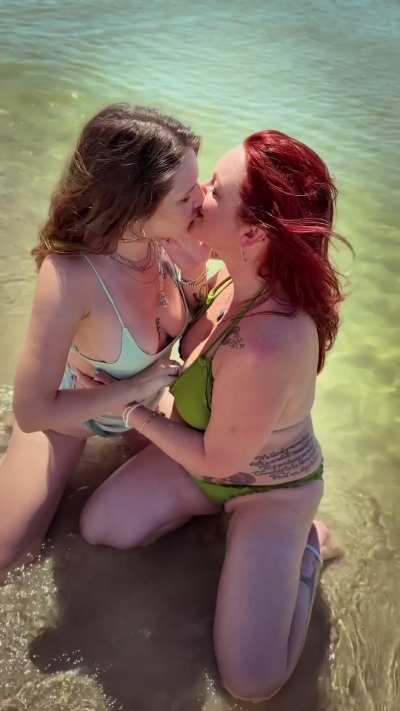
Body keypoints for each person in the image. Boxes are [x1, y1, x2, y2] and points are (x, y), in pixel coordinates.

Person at [79, 129, 348, 701]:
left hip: (267, 490)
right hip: (201, 458)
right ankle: (217, 534)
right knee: (101, 528)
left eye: (215, 190)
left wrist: (129, 409)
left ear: (252, 233)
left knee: (252, 682)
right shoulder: (233, 275)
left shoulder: (268, 345)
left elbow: (219, 459)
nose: (197, 191)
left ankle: (309, 545)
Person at [0, 103, 209, 579]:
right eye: (185, 195)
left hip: (142, 414)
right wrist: (129, 392)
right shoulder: (71, 276)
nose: (201, 199)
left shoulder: (173, 243)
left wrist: (196, 275)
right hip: (68, 421)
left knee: (225, 483)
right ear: (135, 208)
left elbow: (203, 334)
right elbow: (34, 411)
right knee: (8, 561)